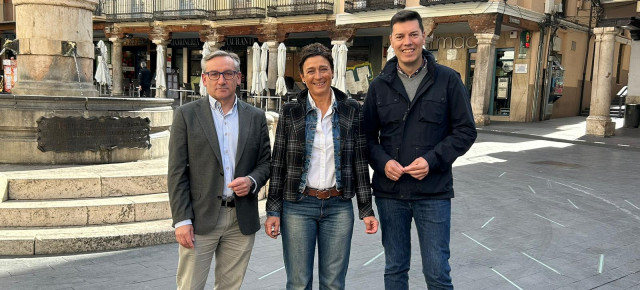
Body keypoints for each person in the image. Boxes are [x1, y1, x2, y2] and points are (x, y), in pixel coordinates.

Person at [362, 10, 477, 290]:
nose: (407, 42)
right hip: (391, 194)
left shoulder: (448, 80)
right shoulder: (378, 86)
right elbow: (365, 137)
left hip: (434, 193)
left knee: (437, 272)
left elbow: (465, 131)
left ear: (424, 36)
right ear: (391, 41)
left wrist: (432, 160)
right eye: (400, 36)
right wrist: (382, 162)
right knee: (395, 269)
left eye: (413, 34)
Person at [265, 43, 379, 290]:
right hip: (297, 206)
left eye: (323, 69)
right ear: (303, 77)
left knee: (334, 284)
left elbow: (360, 161)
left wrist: (366, 209)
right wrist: (273, 209)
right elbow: (278, 163)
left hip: (339, 207)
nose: (318, 76)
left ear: (333, 72)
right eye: (311, 71)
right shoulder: (290, 111)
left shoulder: (351, 110)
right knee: (298, 283)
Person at [168, 50, 271, 290]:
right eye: (214, 74)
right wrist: (181, 220)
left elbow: (266, 162)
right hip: (200, 218)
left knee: (230, 287)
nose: (221, 80)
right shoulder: (186, 115)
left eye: (227, 73)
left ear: (239, 77)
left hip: (240, 219)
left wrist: (252, 181)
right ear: (204, 79)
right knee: (190, 286)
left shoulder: (255, 117)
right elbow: (176, 172)